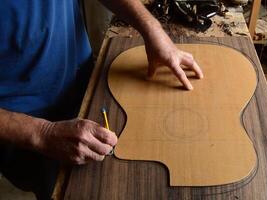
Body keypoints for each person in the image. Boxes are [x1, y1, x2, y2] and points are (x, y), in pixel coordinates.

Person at [0, 0, 203, 199]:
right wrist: (43, 133)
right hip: (26, 126)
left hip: (86, 79)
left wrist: (151, 27)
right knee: (72, 187)